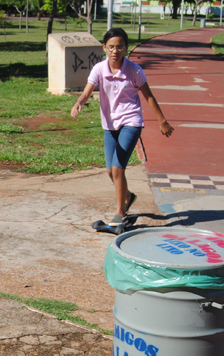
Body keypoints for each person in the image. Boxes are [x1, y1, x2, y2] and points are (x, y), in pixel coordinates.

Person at [71, 27, 173, 225]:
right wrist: (78, 103)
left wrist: (162, 120)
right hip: (110, 124)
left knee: (118, 169)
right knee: (110, 171)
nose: (115, 51)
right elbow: (86, 92)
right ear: (104, 47)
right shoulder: (99, 69)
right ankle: (128, 195)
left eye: (119, 47)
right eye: (110, 47)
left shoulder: (134, 70)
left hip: (131, 122)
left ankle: (121, 211)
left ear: (126, 48)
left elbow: (148, 96)